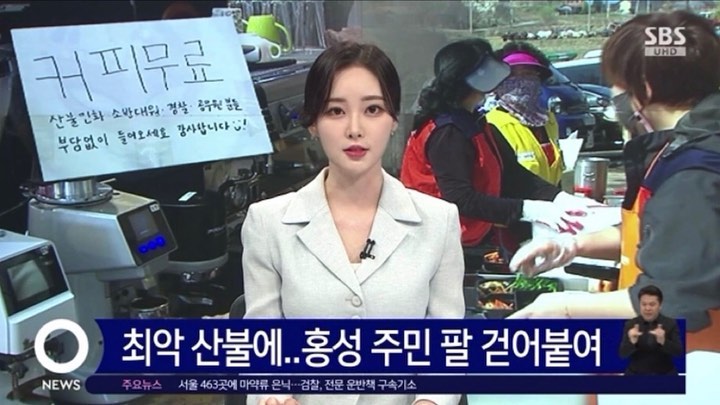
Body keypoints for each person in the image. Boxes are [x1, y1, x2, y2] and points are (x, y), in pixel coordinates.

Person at [507, 10, 720, 403]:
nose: (615, 94)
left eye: (617, 82)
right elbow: (666, 236)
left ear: (645, 86)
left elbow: (675, 299)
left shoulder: (695, 170)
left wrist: (566, 307)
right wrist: (575, 245)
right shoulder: (680, 147)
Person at [242, 42, 464, 405]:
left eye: (373, 109)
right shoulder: (268, 224)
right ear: (312, 123)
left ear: (393, 120)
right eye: (335, 111)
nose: (355, 129)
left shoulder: (438, 221)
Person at [400, 39, 593, 257]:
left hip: (465, 241)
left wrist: (561, 200)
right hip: (433, 248)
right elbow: (460, 199)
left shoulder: (474, 122)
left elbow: (514, 175)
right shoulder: (447, 132)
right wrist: (529, 210)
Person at [486, 41, 564, 186]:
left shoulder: (549, 122)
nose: (522, 82)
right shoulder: (490, 125)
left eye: (528, 74)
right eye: (512, 75)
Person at [619, 285, 683, 375]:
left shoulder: (670, 324)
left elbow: (678, 352)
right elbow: (622, 354)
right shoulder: (630, 324)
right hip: (636, 375)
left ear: (660, 306)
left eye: (652, 304)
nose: (647, 308)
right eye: (644, 304)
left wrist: (663, 341)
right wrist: (632, 342)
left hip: (664, 375)